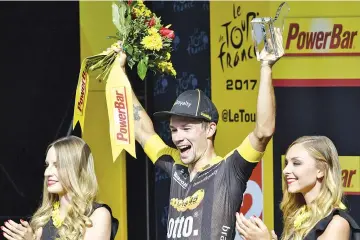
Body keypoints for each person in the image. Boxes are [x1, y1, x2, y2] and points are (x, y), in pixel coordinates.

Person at [114, 38, 281, 238]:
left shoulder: (228, 169)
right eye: (173, 130)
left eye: (186, 128)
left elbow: (263, 131)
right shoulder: (176, 164)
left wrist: (266, 66)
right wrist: (120, 74)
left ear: (210, 129)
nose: (177, 137)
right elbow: (142, 131)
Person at [235, 136, 360, 240]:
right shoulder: (299, 220)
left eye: (296, 163)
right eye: (286, 163)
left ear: (321, 170)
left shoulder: (337, 224)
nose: (286, 171)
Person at [1, 136, 119, 240]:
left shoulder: (97, 216)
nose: (47, 172)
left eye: (57, 165)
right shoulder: (42, 219)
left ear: (76, 169)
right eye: (47, 165)